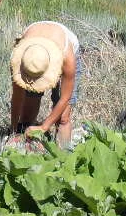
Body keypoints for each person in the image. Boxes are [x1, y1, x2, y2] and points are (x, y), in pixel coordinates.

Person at [9, 20, 79, 148]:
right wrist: (14, 130)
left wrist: (44, 127)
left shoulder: (67, 57)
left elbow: (65, 98)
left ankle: (64, 156)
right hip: (34, 49)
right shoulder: (21, 60)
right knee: (26, 116)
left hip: (61, 44)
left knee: (63, 118)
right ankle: (25, 149)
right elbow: (17, 97)